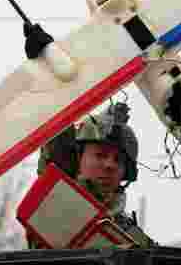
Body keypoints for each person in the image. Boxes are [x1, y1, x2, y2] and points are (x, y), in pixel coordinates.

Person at [29, 102, 141, 249]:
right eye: (100, 155)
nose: (110, 165)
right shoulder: (55, 206)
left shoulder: (131, 236)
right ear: (79, 158)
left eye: (118, 160)